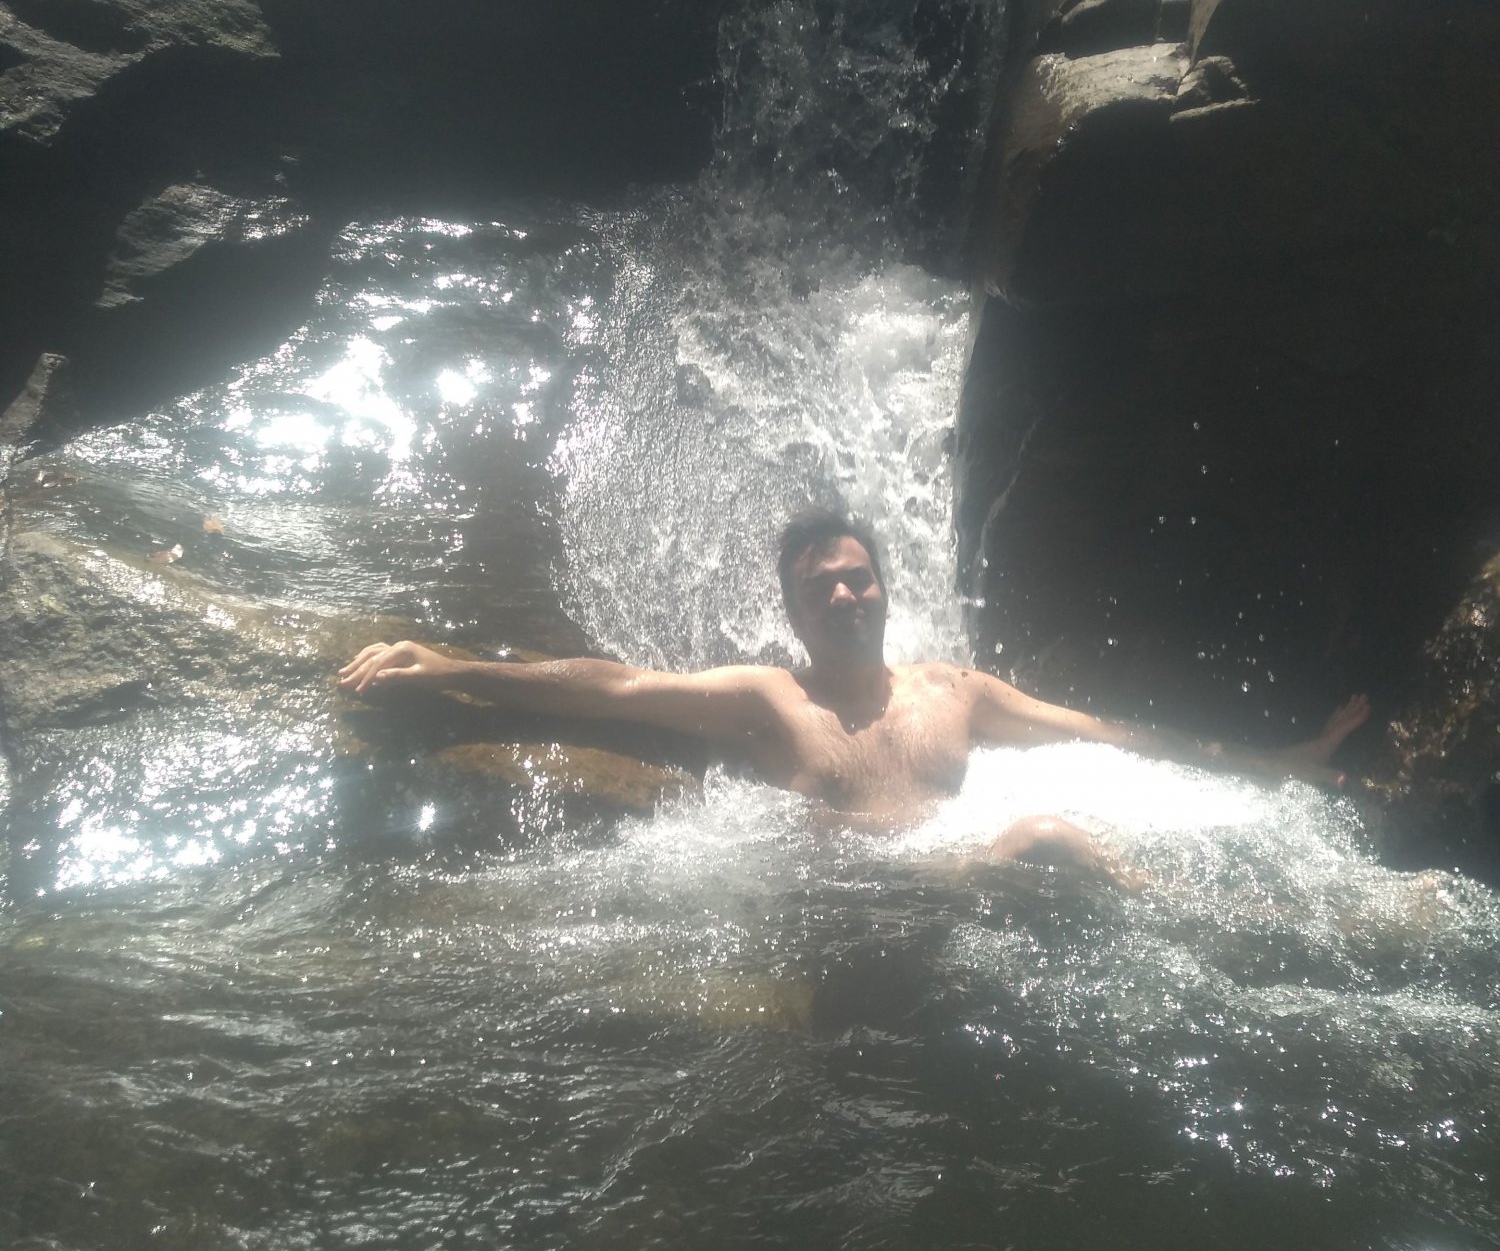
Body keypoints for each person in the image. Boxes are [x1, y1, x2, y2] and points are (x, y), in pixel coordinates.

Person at [338, 507, 1369, 876]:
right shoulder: (769, 698)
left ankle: (1220, 913)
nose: (842, 593)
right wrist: (455, 667)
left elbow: (1112, 735)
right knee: (1047, 837)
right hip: (852, 905)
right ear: (794, 610)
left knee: (1058, 834)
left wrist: (1272, 761)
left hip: (958, 886)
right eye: (818, 586)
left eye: (856, 577)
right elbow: (617, 689)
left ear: (884, 586)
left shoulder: (957, 690)